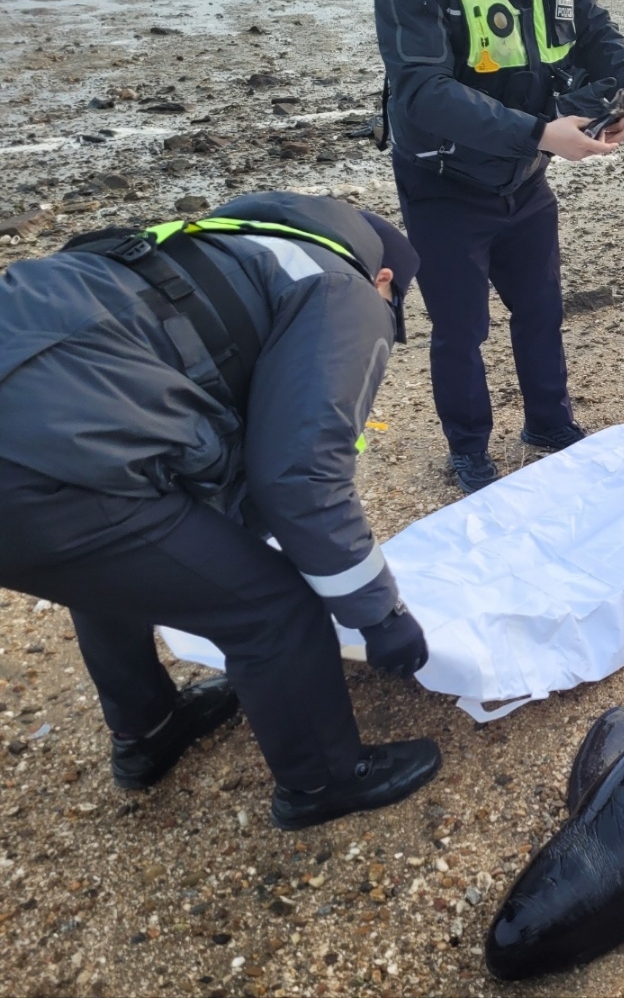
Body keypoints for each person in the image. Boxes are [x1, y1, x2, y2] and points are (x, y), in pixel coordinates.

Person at [0, 192, 442, 831]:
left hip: (44, 445)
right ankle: (322, 780)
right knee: (273, 609)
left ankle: (148, 728)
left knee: (106, 569)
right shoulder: (344, 291)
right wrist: (379, 614)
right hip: (41, 473)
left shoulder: (207, 248)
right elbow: (298, 478)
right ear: (383, 279)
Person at [374, 0, 624, 493]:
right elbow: (421, 88)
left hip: (524, 176)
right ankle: (468, 449)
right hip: (443, 182)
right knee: (460, 330)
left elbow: (596, 32)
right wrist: (538, 133)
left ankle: (548, 422)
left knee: (541, 307)